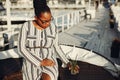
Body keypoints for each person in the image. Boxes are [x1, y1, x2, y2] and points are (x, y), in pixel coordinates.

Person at [18, 0, 79, 80]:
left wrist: (67, 62)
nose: (48, 24)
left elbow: (56, 47)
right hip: (31, 62)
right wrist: (40, 62)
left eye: (50, 20)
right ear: (36, 18)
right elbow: (21, 49)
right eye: (44, 21)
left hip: (50, 61)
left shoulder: (53, 28)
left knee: (49, 77)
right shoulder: (26, 26)